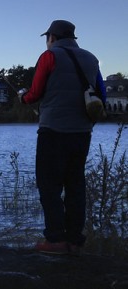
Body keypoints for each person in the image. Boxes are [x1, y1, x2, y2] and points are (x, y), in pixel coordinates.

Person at [20, 19, 106, 255]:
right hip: (82, 133)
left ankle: (55, 240)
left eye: (47, 38)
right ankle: (75, 241)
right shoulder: (91, 58)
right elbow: (102, 93)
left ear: (52, 38)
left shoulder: (49, 57)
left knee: (49, 185)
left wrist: (22, 98)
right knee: (76, 184)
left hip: (53, 132)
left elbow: (35, 93)